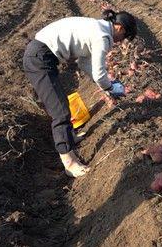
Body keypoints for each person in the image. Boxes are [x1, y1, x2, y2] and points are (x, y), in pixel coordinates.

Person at [23, 10, 137, 177]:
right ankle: (68, 162)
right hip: (39, 58)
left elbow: (84, 63)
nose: (121, 41)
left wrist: (106, 84)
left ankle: (68, 137)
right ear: (119, 27)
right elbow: (99, 73)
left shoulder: (97, 27)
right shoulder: (103, 37)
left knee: (62, 105)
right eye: (124, 36)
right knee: (60, 111)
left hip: (40, 52)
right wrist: (109, 87)